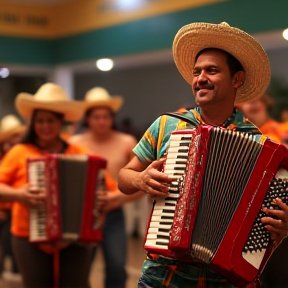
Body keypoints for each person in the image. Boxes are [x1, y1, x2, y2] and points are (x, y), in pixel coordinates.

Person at [118, 22, 288, 288]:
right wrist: (139, 180)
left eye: (212, 70)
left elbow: (273, 218)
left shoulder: (260, 144)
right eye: (197, 72)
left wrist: (282, 225)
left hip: (225, 279)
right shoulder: (166, 124)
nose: (200, 78)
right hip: (163, 274)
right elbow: (123, 177)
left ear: (237, 79)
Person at [0, 83, 115, 288]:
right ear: (33, 123)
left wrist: (104, 199)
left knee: (75, 284)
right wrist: (19, 194)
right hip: (27, 235)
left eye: (50, 121)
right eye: (40, 121)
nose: (45, 126)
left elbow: (110, 188)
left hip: (74, 237)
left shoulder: (78, 152)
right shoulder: (19, 151)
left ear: (61, 121)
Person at [69, 87, 145, 288]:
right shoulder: (74, 143)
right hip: (82, 215)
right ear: (88, 119)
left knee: (116, 265)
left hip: (113, 213)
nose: (101, 121)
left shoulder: (126, 142)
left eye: (105, 116)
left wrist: (117, 199)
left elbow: (141, 182)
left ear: (112, 118)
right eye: (96, 117)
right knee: (80, 268)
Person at [0, 114, 25, 279]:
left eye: (18, 135)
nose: (16, 140)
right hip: (4, 212)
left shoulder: (21, 154)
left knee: (17, 255)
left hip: (16, 210)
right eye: (12, 136)